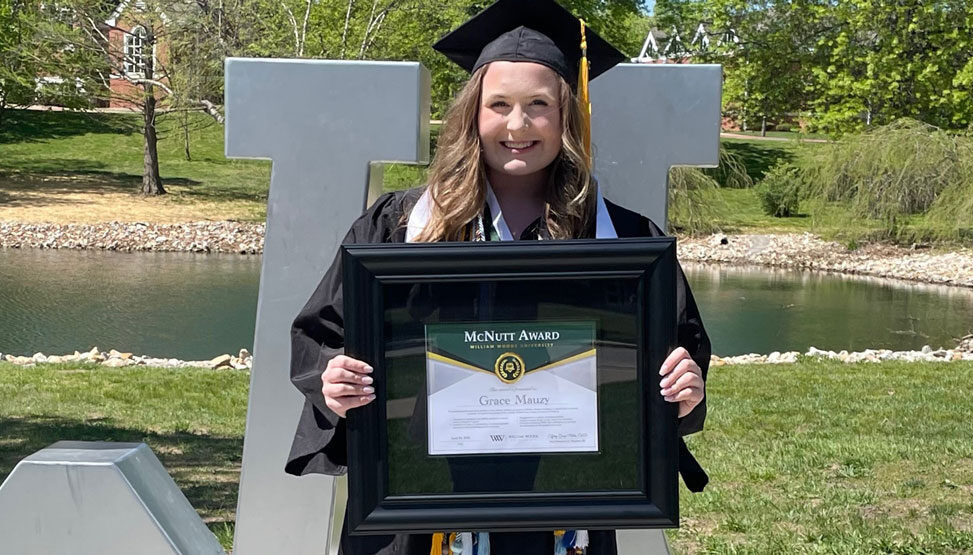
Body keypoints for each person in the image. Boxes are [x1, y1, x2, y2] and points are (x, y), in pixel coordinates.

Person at [285, 0, 710, 552]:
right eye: (499, 104)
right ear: (472, 115)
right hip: (419, 494)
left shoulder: (621, 240)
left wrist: (683, 388)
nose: (517, 124)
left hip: (561, 495)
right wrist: (332, 380)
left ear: (567, 116)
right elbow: (322, 335)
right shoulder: (401, 225)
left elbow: (679, 353)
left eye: (539, 105)